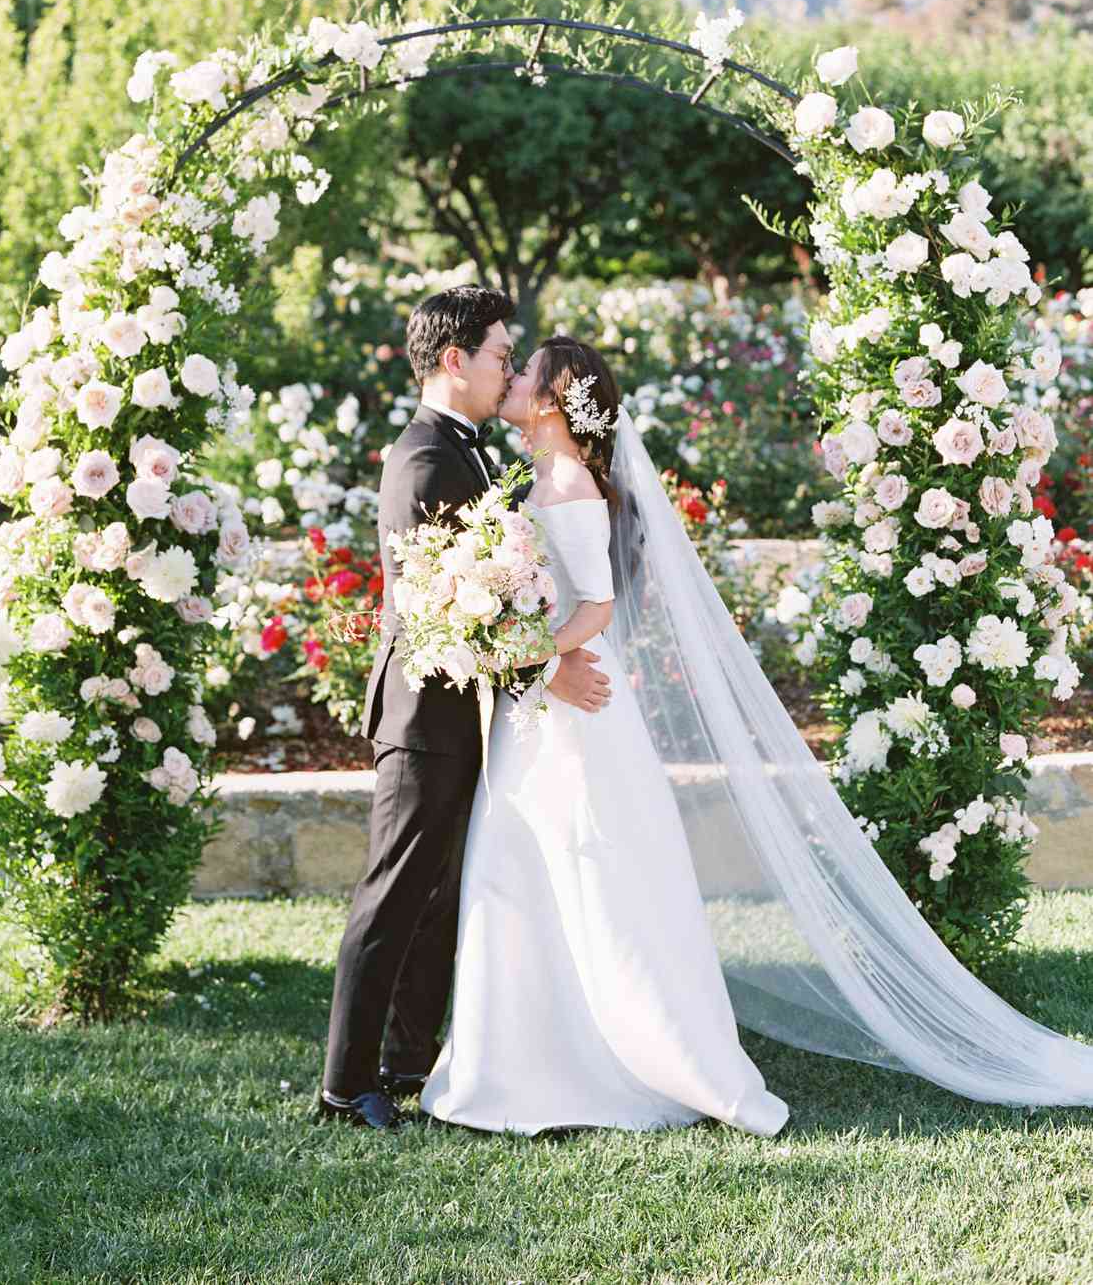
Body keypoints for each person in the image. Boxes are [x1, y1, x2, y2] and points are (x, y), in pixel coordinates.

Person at [420, 333, 1093, 1135]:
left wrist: (520, 649)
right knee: (530, 866)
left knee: (583, 868)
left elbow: (593, 610)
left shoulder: (567, 485)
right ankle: (527, 1059)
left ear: (556, 399)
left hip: (576, 705)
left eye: (526, 371)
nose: (514, 379)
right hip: (547, 704)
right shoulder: (541, 476)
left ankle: (605, 1063)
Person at [318, 292, 612, 1129]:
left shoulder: (471, 453)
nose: (507, 370)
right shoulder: (423, 458)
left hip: (462, 711)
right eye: (498, 355)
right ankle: (346, 1084)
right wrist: (545, 668)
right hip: (422, 716)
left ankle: (406, 1061)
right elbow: (438, 609)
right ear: (455, 360)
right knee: (394, 894)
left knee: (438, 895)